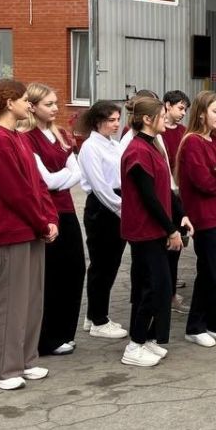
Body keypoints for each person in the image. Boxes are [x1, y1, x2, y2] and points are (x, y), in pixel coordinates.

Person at [0, 79, 59, 391]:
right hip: (11, 230)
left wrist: (50, 218)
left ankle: (25, 359)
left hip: (32, 228)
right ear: (8, 103)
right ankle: (3, 368)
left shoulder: (19, 138)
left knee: (32, 298)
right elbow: (14, 192)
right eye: (24, 99)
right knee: (11, 300)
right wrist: (40, 221)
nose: (28, 104)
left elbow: (37, 184)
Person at [119, 96, 188, 367]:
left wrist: (181, 217)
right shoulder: (137, 150)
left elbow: (166, 190)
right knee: (152, 287)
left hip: (156, 229)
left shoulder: (152, 146)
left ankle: (147, 339)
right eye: (161, 116)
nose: (166, 120)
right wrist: (170, 229)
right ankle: (134, 345)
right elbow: (149, 197)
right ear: (147, 119)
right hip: (145, 230)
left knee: (157, 286)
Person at [23, 83, 85, 357]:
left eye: (56, 102)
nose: (55, 108)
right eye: (49, 104)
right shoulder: (27, 137)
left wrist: (58, 180)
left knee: (75, 270)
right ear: (33, 106)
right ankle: (47, 337)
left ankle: (65, 332)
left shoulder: (59, 134)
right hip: (48, 213)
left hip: (68, 210)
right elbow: (44, 181)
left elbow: (78, 173)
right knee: (52, 276)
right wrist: (61, 178)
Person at [177, 90, 216, 347]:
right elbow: (203, 182)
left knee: (210, 272)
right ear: (201, 114)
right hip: (204, 216)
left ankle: (199, 324)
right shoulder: (192, 142)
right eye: (215, 111)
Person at [75, 100, 128, 340]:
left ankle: (94, 314)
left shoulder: (114, 145)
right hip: (102, 208)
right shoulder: (90, 147)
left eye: (118, 119)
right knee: (101, 264)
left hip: (117, 203)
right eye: (111, 120)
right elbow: (99, 186)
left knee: (111, 263)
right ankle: (98, 320)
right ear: (98, 122)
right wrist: (120, 209)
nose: (116, 124)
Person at [160, 90, 192, 310]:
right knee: (167, 246)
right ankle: (167, 294)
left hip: (181, 194)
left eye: (185, 109)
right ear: (167, 106)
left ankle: (170, 290)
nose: (182, 113)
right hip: (165, 194)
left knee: (178, 245)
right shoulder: (158, 133)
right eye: (180, 108)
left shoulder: (184, 132)